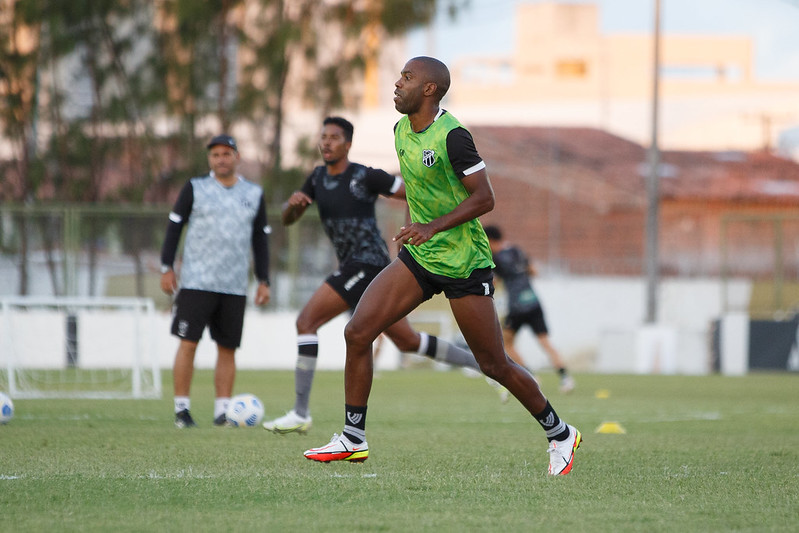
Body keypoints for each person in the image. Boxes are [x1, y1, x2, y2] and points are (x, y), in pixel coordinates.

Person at [303, 57, 581, 475]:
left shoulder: (453, 137)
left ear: (430, 90)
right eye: (399, 76)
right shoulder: (400, 130)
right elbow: (416, 192)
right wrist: (414, 231)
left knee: (494, 364)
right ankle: (353, 438)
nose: (397, 84)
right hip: (420, 258)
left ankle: (560, 433)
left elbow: (485, 198)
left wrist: (431, 226)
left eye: (407, 78)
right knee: (357, 331)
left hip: (465, 264)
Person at [262, 116, 484, 434]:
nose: (326, 142)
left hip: (368, 264)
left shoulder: (365, 176)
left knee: (306, 322)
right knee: (407, 341)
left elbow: (413, 192)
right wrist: (292, 206)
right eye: (323, 137)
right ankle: (481, 363)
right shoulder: (316, 178)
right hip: (353, 266)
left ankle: (300, 413)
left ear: (348, 144)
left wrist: (415, 227)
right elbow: (287, 219)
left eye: (334, 137)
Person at [160, 134, 271, 428]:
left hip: (234, 284)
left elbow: (261, 239)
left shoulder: (254, 194)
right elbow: (174, 228)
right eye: (215, 155)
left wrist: (264, 279)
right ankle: (182, 410)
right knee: (188, 343)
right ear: (210, 159)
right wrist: (166, 266)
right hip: (197, 281)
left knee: (227, 348)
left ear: (237, 156)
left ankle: (223, 411)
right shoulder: (195, 188)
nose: (221, 159)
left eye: (226, 153)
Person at [483, 225, 576, 394]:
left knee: (506, 342)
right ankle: (565, 378)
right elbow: (534, 270)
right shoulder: (516, 251)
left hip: (517, 306)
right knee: (545, 342)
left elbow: (494, 281)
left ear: (490, 240)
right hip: (533, 302)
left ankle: (531, 375)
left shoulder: (495, 257)